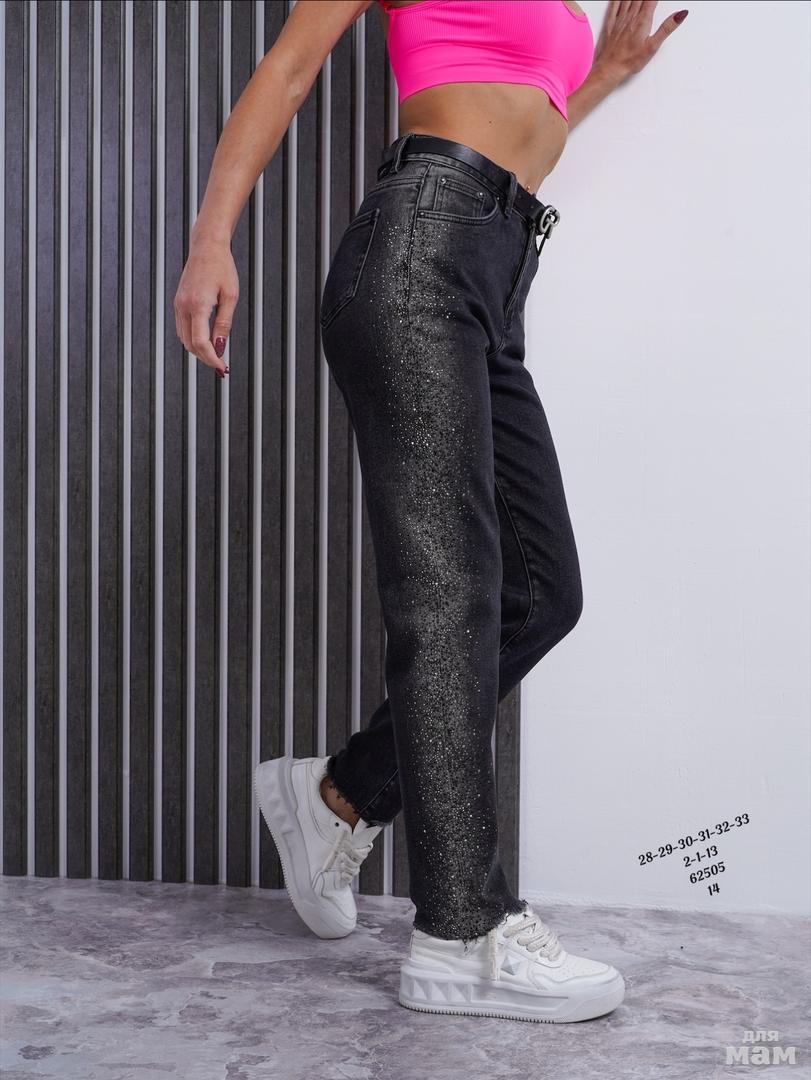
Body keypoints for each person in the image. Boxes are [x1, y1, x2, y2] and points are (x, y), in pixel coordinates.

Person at [174, 0, 688, 1023]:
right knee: (449, 597)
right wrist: (210, 241)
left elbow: (521, 129)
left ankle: (340, 797)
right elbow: (288, 67)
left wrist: (599, 80)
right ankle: (461, 934)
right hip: (420, 251)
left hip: (495, 273)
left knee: (539, 593)